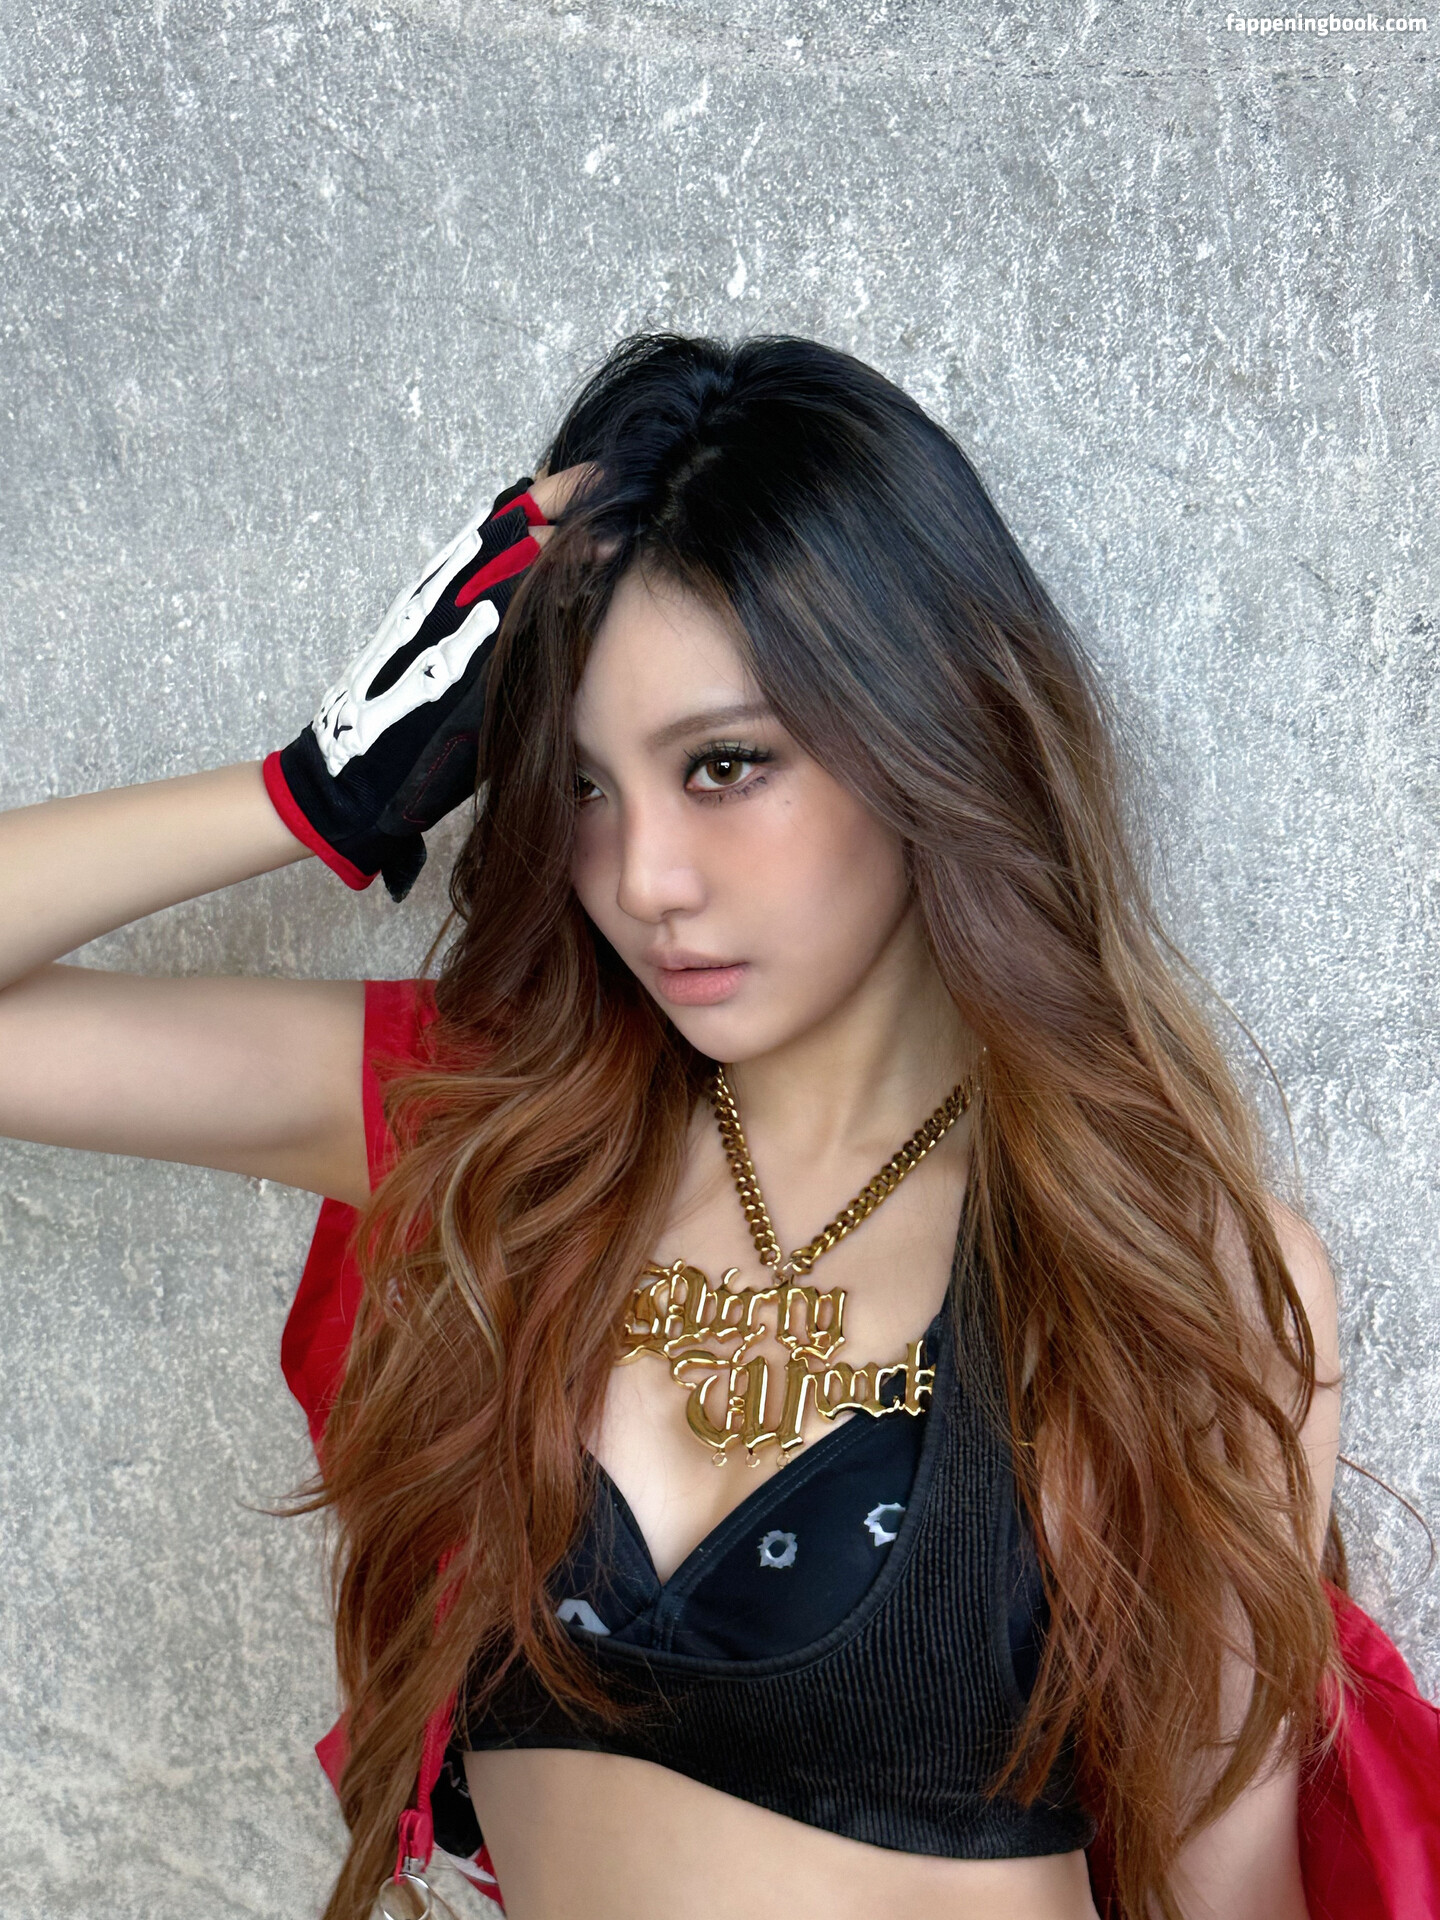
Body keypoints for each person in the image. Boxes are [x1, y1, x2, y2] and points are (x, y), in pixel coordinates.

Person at [0, 333, 1431, 1920]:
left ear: (929, 732)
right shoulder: (496, 1140)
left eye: (726, 765)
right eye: (584, 786)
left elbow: (1229, 1893)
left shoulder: (1157, 1269)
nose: (643, 880)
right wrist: (312, 791)